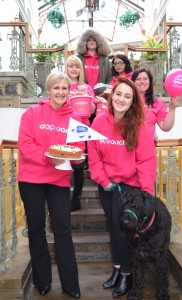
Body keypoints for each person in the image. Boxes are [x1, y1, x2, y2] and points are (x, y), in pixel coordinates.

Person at [17, 72, 85, 299]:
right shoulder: (32, 112)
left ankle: (70, 284)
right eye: (56, 88)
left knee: (63, 230)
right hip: (31, 179)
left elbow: (77, 146)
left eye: (64, 88)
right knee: (36, 229)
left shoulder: (74, 117)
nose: (61, 92)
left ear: (69, 91)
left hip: (59, 180)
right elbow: (25, 144)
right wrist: (48, 157)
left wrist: (77, 157)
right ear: (48, 89)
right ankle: (42, 280)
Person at [88, 77, 157, 298]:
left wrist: (146, 193)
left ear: (132, 102)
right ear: (112, 95)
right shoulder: (98, 122)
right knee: (112, 228)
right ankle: (118, 269)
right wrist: (103, 179)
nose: (121, 99)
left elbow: (146, 161)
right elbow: (94, 154)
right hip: (107, 185)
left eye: (127, 96)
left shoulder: (139, 126)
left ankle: (127, 274)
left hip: (130, 188)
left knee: (122, 233)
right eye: (119, 94)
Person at [64, 55, 97, 212]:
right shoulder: (62, 85)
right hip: (64, 128)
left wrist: (87, 95)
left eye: (77, 66)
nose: (74, 69)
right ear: (67, 68)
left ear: (80, 69)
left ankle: (76, 199)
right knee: (63, 164)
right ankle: (61, 199)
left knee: (78, 167)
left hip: (81, 129)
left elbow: (92, 111)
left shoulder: (87, 87)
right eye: (71, 66)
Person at [131, 67, 179, 141]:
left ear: (150, 82)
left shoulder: (157, 102)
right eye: (138, 79)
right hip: (127, 146)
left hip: (147, 148)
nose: (142, 82)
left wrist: (172, 109)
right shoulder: (126, 99)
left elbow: (165, 127)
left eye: (145, 79)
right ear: (133, 82)